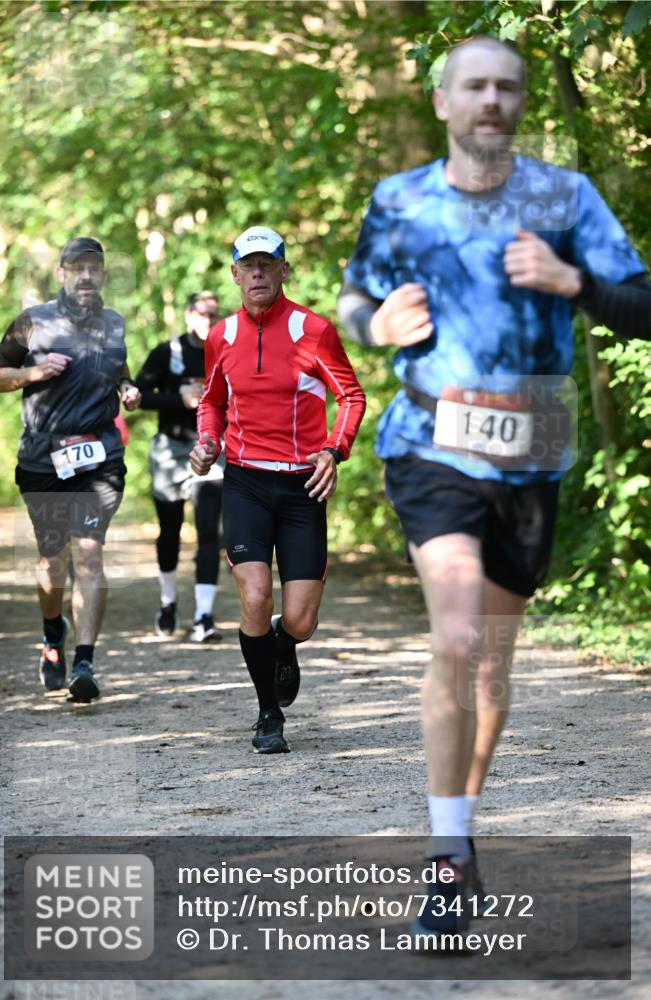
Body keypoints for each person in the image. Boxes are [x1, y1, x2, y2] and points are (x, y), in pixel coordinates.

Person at [338, 36, 650, 939]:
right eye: (473, 84)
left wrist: (573, 282)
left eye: (506, 87)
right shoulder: (399, 200)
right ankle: (442, 858)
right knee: (459, 627)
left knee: (491, 662)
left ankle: (458, 835)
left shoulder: (565, 198)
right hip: (430, 441)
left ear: (520, 105)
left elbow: (641, 305)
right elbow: (356, 300)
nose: (490, 99)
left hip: (533, 450)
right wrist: (374, 322)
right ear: (442, 101)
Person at [190, 226, 366, 753]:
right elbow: (211, 401)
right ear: (235, 274)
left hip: (301, 485)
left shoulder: (314, 329)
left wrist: (334, 450)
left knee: (301, 619)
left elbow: (352, 397)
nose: (260, 272)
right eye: (250, 264)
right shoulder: (220, 336)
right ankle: (268, 714)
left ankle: (283, 642)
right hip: (244, 481)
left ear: (284, 270)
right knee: (255, 594)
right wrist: (207, 441)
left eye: (269, 263)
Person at [0, 236, 140, 703]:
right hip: (42, 459)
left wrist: (128, 388)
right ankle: (53, 634)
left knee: (90, 554)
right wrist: (32, 373)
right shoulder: (32, 322)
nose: (86, 275)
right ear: (62, 274)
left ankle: (85, 662)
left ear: (104, 274)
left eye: (94, 267)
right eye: (77, 268)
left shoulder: (114, 324)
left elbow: (119, 369)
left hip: (100, 457)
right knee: (53, 562)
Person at [136, 291, 225, 642]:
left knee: (208, 532)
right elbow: (138, 395)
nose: (210, 321)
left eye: (215, 315)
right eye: (203, 314)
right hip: (170, 452)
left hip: (210, 449)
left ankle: (204, 616)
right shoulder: (166, 352)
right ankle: (168, 603)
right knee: (170, 530)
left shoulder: (228, 348)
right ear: (189, 316)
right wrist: (180, 399)